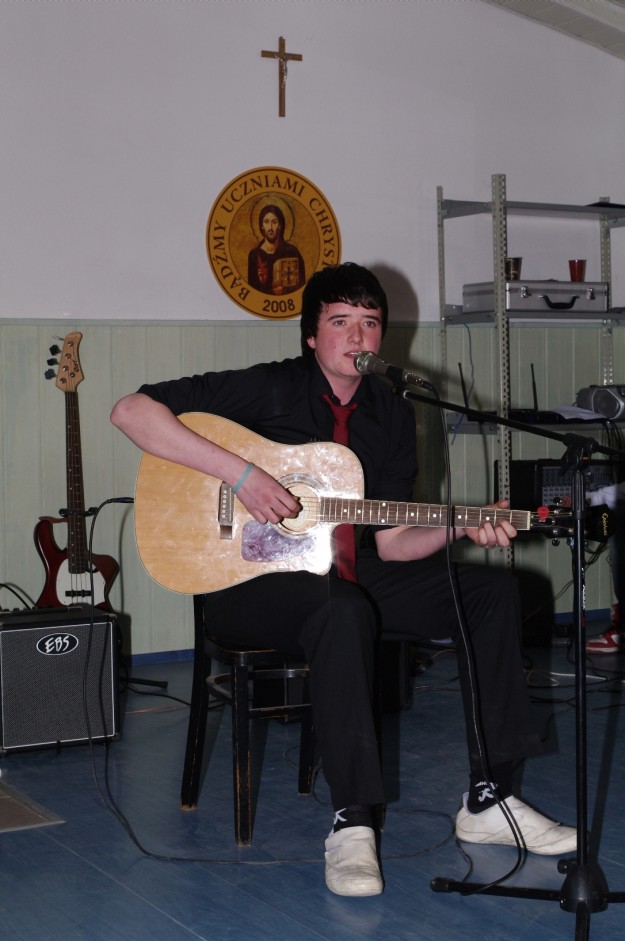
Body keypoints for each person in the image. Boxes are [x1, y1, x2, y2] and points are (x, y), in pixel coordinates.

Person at [111, 262, 576, 898]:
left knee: (493, 593)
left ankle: (490, 798)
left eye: (370, 323)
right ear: (311, 334)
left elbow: (394, 542)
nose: (357, 337)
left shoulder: (393, 413)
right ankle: (353, 820)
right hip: (249, 585)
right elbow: (130, 411)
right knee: (343, 610)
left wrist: (460, 525)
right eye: (340, 322)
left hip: (347, 574)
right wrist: (243, 475)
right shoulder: (269, 389)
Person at [247, 203, 305, 294]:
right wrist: (262, 282)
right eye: (266, 222)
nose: (270, 227)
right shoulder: (254, 255)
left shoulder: (291, 252)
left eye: (274, 222)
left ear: (280, 225)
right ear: (262, 226)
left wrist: (284, 291)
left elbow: (302, 287)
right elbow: (251, 293)